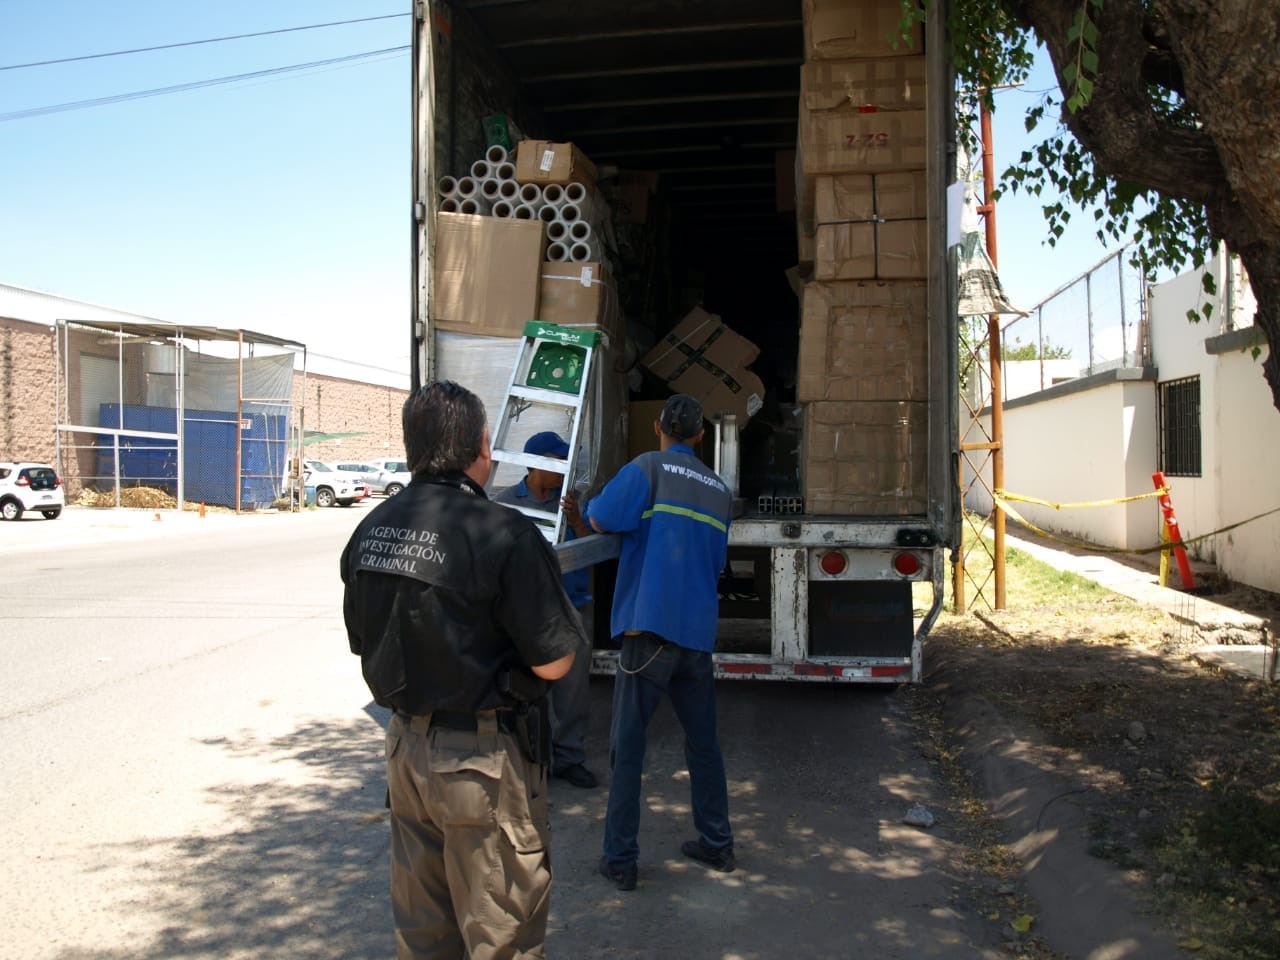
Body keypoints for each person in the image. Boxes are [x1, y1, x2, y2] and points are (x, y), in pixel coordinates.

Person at [340, 380, 586, 959]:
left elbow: (361, 640)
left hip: (404, 752)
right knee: (501, 935)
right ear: (482, 445)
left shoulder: (370, 529)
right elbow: (555, 663)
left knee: (425, 935)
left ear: (410, 448)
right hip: (480, 768)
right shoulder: (503, 532)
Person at [584, 393, 735, 892]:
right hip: (696, 636)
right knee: (704, 744)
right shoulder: (719, 489)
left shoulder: (648, 468)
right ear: (699, 435)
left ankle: (620, 858)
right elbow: (716, 561)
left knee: (627, 748)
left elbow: (601, 517)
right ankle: (716, 843)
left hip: (648, 631)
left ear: (658, 427)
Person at [494, 430, 599, 789]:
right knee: (524, 689)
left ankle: (569, 758)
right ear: (536, 462)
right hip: (528, 612)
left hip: (572, 607)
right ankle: (528, 760)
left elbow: (590, 549)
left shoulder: (573, 501)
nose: (564, 470)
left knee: (573, 693)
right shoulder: (508, 503)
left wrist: (576, 521)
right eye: (558, 461)